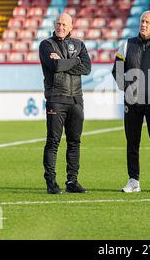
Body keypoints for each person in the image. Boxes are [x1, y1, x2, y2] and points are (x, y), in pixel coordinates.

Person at [112, 10, 150, 193]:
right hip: (131, 102)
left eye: (147, 22)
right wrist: (126, 87)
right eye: (142, 21)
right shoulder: (126, 45)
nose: (143, 25)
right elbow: (116, 70)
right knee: (132, 142)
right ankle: (133, 181)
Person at [39, 13, 91, 194]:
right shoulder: (46, 45)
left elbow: (86, 68)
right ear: (54, 25)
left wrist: (64, 62)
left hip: (76, 99)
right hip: (56, 98)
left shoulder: (79, 44)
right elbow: (55, 67)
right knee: (53, 141)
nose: (60, 27)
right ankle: (51, 182)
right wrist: (74, 61)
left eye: (64, 24)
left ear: (71, 27)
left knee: (74, 142)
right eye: (58, 24)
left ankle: (72, 181)